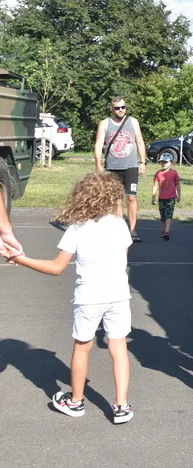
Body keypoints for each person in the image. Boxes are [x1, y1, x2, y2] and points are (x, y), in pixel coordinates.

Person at [3, 171, 134, 423]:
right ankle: (121, 406)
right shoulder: (120, 226)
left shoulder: (77, 228)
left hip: (89, 297)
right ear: (114, 197)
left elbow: (56, 267)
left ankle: (75, 401)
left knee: (82, 349)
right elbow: (123, 256)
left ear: (82, 197)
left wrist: (20, 259)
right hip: (118, 295)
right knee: (119, 348)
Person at [93, 96, 147, 242]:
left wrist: (142, 162)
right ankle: (119, 230)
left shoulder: (133, 122)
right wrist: (98, 164)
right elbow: (98, 144)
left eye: (123, 107)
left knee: (131, 197)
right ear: (112, 109)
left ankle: (132, 229)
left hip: (130, 166)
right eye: (117, 108)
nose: (121, 110)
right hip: (112, 167)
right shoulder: (105, 123)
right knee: (116, 200)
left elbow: (140, 142)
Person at [151, 152, 181, 240]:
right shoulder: (158, 173)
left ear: (171, 162)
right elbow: (155, 185)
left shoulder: (174, 173)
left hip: (171, 197)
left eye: (166, 162)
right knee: (163, 215)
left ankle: (167, 231)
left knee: (169, 214)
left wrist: (179, 195)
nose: (164, 164)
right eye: (162, 162)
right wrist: (153, 197)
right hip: (161, 198)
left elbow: (177, 184)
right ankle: (164, 230)